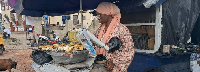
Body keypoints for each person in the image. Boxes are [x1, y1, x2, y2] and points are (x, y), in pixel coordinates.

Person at [94, 2, 135, 72]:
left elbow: (129, 52)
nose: (98, 18)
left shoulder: (121, 29)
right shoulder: (99, 30)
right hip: (101, 66)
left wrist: (115, 63)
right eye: (97, 15)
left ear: (108, 14)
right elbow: (95, 45)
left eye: (100, 15)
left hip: (115, 69)